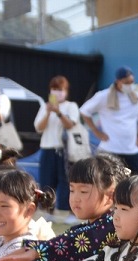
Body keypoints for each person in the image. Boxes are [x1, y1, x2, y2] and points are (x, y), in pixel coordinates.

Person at [80, 66, 138, 174]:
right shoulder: (103, 96)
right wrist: (96, 131)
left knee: (137, 182)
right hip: (109, 149)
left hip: (131, 150)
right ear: (118, 81)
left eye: (132, 82)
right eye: (126, 82)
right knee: (106, 183)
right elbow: (84, 111)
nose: (130, 85)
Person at [34, 75, 80, 220]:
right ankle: (47, 212)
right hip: (47, 148)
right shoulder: (44, 107)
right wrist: (48, 112)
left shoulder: (71, 106)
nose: (57, 92)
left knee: (66, 181)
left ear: (66, 91)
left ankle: (67, 212)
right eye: (54, 89)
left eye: (60, 89)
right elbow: (38, 128)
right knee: (46, 181)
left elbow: (71, 124)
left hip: (65, 150)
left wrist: (59, 112)